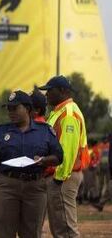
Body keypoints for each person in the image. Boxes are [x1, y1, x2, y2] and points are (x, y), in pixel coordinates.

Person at [0, 90, 63, 238]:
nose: (10, 112)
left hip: (35, 187)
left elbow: (59, 156)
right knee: (2, 232)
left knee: (31, 233)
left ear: (27, 108)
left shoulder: (44, 131)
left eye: (15, 108)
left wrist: (44, 160)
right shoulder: (2, 131)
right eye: (8, 108)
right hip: (7, 185)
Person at [39, 75, 88, 237]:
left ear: (62, 91)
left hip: (63, 177)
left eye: (49, 91)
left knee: (65, 229)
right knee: (60, 228)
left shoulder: (68, 114)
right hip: (61, 175)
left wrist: (58, 178)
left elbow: (66, 150)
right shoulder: (59, 111)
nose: (46, 95)